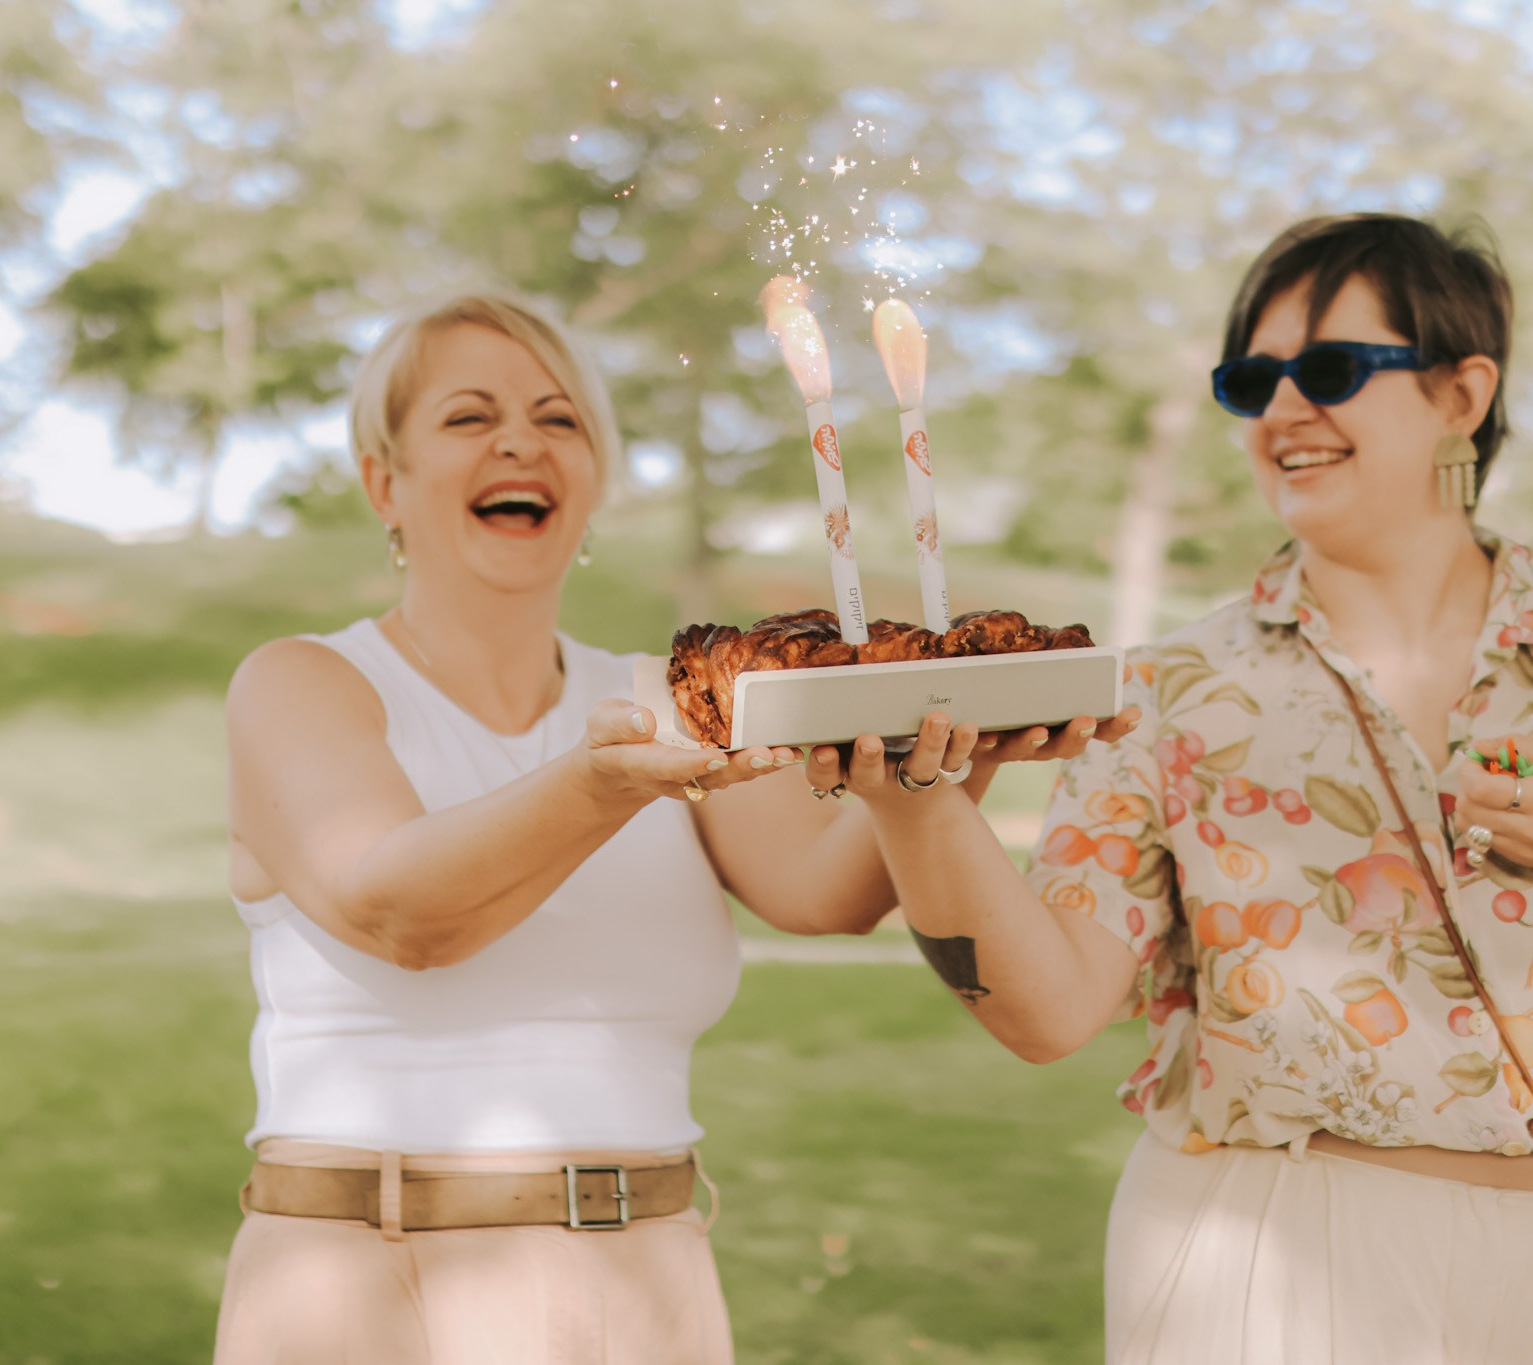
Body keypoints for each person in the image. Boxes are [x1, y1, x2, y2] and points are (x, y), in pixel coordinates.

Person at [841, 214, 1533, 1363]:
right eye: (1249, 379)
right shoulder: (1170, 688)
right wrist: (916, 810)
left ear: (1461, 395)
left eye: (1327, 370)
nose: (1279, 410)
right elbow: (1046, 1010)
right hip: (1265, 1263)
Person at [213, 292, 1120, 1364]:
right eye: (467, 418)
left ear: (593, 479)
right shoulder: (304, 682)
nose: (520, 440)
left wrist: (935, 766)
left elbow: (819, 894)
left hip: (646, 1281)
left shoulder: (665, 694)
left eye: (560, 420)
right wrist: (600, 788)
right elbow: (399, 909)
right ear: (384, 482)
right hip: (370, 1276)